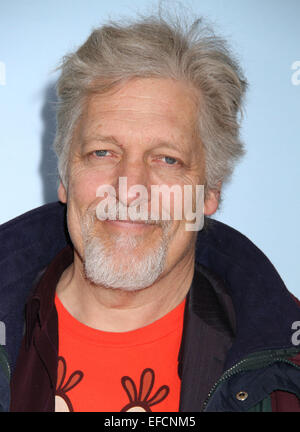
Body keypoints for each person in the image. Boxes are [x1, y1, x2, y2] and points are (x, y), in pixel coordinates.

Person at [1, 10, 299, 412]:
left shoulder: (287, 370)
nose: (131, 186)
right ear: (65, 176)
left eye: (167, 159)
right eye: (103, 152)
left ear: (211, 191)